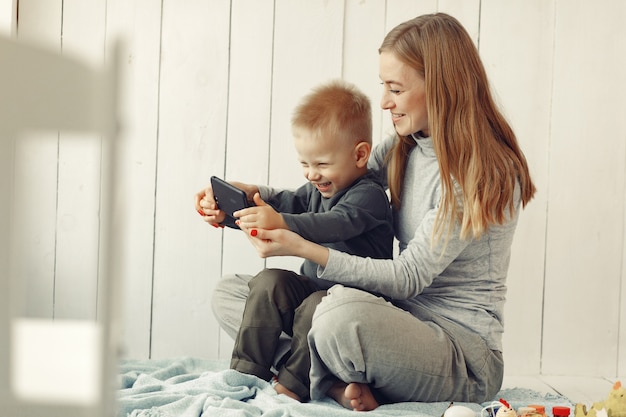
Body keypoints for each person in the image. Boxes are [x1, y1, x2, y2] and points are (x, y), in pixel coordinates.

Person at [229, 12, 536, 411]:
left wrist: (301, 245)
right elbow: (334, 184)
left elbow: (407, 277)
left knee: (334, 317)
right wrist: (258, 195)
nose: (385, 101)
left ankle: (324, 373)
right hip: (392, 321)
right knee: (240, 293)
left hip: (459, 352)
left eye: (396, 88)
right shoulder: (403, 145)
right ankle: (336, 381)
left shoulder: (478, 172)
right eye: (383, 86)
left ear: (441, 87)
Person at [195, 80, 394, 401]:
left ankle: (295, 384)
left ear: (360, 155)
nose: (311, 175)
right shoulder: (317, 189)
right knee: (268, 282)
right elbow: (284, 204)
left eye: (322, 164)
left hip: (353, 308)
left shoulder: (368, 197)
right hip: (317, 290)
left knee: (317, 307)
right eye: (305, 163)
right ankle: (246, 372)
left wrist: (282, 222)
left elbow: (332, 225)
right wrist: (230, 215)